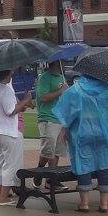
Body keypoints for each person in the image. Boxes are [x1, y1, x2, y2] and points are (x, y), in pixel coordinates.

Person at [53, 73, 108, 213]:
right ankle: (104, 203)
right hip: (104, 132)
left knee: (83, 164)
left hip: (82, 132)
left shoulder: (76, 89)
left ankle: (84, 203)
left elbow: (67, 112)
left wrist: (65, 128)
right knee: (104, 164)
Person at [0, 69, 33, 205]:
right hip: (8, 131)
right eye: (11, 72)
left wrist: (22, 104)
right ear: (7, 74)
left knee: (0, 163)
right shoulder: (6, 90)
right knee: (11, 164)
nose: (13, 73)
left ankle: (0, 194)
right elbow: (10, 110)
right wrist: (26, 101)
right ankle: (3, 197)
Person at [33, 59, 69, 190]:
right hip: (48, 118)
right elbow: (44, 97)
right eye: (62, 62)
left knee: (57, 149)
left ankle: (51, 179)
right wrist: (60, 91)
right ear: (56, 63)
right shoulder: (44, 78)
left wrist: (67, 92)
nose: (64, 64)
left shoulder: (61, 78)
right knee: (49, 149)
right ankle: (40, 170)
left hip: (60, 118)